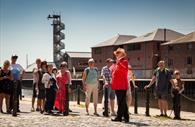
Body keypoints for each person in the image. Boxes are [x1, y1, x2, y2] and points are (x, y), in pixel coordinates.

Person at [110, 48, 129, 123]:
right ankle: (126, 117)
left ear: (122, 54)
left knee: (121, 102)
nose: (116, 54)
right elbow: (114, 73)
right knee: (122, 101)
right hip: (118, 85)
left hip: (121, 85)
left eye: (118, 53)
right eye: (116, 53)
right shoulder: (118, 63)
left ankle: (119, 117)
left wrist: (118, 63)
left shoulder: (124, 61)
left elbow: (124, 70)